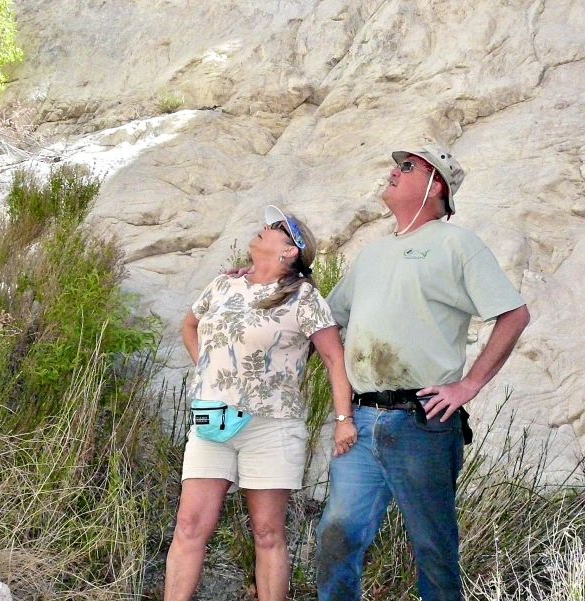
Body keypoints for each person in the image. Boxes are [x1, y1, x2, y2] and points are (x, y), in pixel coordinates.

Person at [316, 144, 531, 601]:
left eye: (407, 167)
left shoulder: (458, 244)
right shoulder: (374, 254)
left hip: (421, 419)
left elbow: (513, 314)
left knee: (432, 547)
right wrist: (264, 279)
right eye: (396, 165)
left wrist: (469, 384)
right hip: (360, 419)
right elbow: (326, 319)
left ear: (436, 186)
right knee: (336, 536)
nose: (394, 172)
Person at [164, 205, 357, 601]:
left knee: (268, 533)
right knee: (189, 526)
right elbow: (190, 324)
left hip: (272, 425)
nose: (263, 228)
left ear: (290, 251)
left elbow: (334, 357)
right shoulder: (223, 285)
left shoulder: (304, 297)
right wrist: (210, 370)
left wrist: (344, 418)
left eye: (275, 228)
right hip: (212, 419)